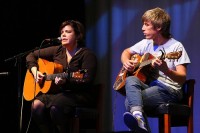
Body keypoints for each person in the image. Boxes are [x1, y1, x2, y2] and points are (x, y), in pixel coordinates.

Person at [121, 7, 191, 133]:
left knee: (129, 103)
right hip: (152, 87)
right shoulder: (146, 43)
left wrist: (166, 70)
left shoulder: (176, 47)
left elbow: (182, 77)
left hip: (169, 90)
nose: (142, 28)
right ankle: (139, 118)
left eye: (146, 25)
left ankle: (139, 120)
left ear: (158, 27)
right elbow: (126, 52)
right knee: (131, 79)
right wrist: (126, 61)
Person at [25, 20, 97, 133]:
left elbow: (87, 79)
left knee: (56, 106)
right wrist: (35, 71)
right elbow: (31, 55)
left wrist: (66, 82)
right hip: (59, 94)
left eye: (68, 32)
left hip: (79, 95)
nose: (63, 34)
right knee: (36, 106)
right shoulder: (58, 50)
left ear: (78, 35)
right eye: (62, 32)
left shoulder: (87, 55)